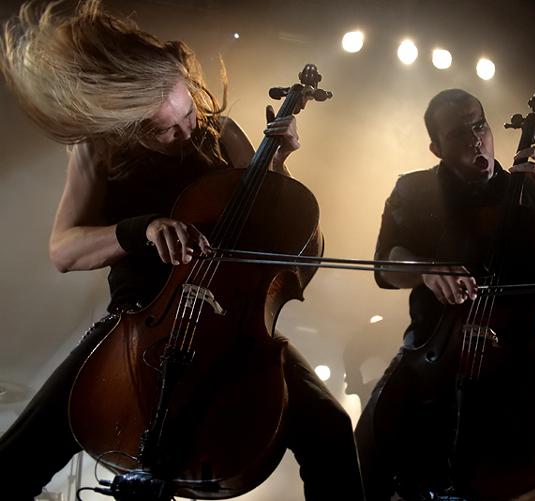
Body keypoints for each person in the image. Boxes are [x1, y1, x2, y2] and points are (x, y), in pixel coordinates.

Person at [0, 1, 364, 500]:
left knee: (330, 429)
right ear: (127, 121)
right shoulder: (98, 148)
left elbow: (290, 242)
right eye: (163, 130)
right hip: (139, 323)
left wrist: (277, 166)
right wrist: (141, 229)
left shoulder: (225, 134)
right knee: (15, 457)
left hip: (231, 325)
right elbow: (64, 249)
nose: (186, 131)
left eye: (188, 112)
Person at [354, 89, 535, 500]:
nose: (475, 139)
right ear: (435, 147)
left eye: (479, 125)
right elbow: (385, 264)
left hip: (521, 350)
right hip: (437, 345)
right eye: (458, 134)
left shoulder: (528, 191)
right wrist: (426, 269)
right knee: (365, 453)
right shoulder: (413, 190)